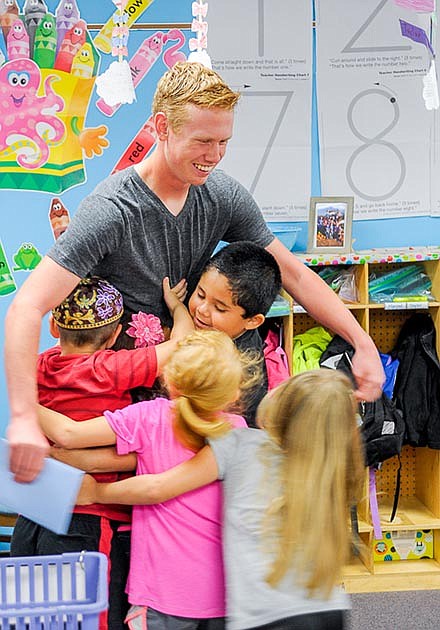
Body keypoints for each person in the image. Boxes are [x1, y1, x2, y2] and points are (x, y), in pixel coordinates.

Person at [5, 60, 384, 482]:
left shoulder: (221, 195)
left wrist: (361, 341)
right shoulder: (112, 210)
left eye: (224, 142)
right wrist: (22, 416)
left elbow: (293, 275)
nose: (215, 156)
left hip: (202, 376)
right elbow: (26, 307)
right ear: (162, 127)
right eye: (203, 141)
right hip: (139, 386)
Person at [76, 369, 365, 630]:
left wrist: (97, 493)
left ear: (281, 405)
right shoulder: (331, 472)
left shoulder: (240, 443)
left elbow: (159, 487)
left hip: (264, 618)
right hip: (329, 609)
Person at [11, 275, 193, 630]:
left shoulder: (37, 366)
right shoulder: (111, 368)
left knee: (31, 615)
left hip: (34, 514)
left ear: (52, 326)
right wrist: (177, 307)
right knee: (88, 617)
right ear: (113, 337)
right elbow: (181, 344)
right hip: (90, 521)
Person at [38, 330, 253, 630]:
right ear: (233, 394)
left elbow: (69, 434)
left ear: (169, 379)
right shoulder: (237, 428)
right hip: (223, 595)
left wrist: (23, 401)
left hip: (161, 594)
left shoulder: (149, 417)